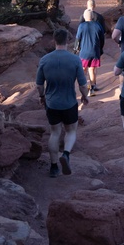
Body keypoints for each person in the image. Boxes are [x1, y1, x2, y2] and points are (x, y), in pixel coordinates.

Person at [36, 28, 89, 177]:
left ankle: (53, 167)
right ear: (67, 41)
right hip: (69, 103)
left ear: (54, 40)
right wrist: (85, 96)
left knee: (54, 132)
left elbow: (39, 85)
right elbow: (83, 85)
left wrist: (42, 97)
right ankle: (65, 154)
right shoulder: (75, 59)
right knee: (71, 130)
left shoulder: (45, 60)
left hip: (52, 103)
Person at [75, 9, 105, 96]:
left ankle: (84, 87)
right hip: (95, 51)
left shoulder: (81, 26)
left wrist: (76, 49)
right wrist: (100, 49)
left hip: (84, 52)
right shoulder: (98, 25)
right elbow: (102, 39)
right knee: (92, 70)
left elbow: (78, 39)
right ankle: (92, 88)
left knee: (83, 70)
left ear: (84, 17)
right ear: (93, 16)